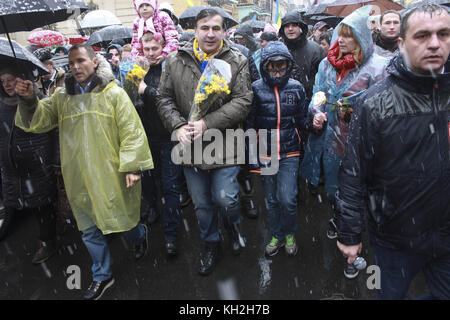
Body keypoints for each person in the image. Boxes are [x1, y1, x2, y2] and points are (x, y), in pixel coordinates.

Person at [14, 43, 154, 300]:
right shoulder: (61, 97)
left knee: (122, 221)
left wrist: (133, 166)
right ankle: (103, 275)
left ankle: (140, 235)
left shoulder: (114, 94)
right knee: (88, 228)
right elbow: (39, 121)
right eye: (71, 63)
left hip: (112, 172)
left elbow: (132, 131)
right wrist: (29, 99)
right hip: (78, 175)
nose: (75, 67)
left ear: (95, 62)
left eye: (81, 60)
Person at [336, 4, 450, 299]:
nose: (435, 43)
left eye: (444, 34)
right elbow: (353, 171)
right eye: (422, 35)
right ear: (401, 44)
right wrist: (350, 232)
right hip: (395, 238)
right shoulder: (375, 103)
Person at [157, 8, 253, 275]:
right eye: (204, 28)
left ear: (224, 31)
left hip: (225, 141)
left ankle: (232, 226)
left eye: (216, 28)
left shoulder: (237, 60)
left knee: (226, 199)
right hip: (191, 147)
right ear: (195, 30)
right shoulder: (176, 60)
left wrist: (207, 123)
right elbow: (163, 98)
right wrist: (177, 127)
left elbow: (244, 101)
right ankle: (211, 243)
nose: (210, 34)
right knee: (201, 205)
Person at [299, 6, 388, 278]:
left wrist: (355, 111)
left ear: (363, 36)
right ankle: (338, 219)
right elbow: (318, 94)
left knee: (357, 196)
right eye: (341, 34)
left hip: (361, 145)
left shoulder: (378, 67)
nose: (344, 41)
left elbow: (383, 109)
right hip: (330, 141)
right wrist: (316, 113)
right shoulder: (327, 63)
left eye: (350, 36)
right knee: (333, 191)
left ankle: (354, 253)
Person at [246, 41, 312, 257]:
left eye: (281, 65)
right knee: (272, 199)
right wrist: (252, 154)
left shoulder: (297, 87)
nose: (276, 70)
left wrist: (315, 124)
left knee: (288, 198)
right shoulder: (255, 89)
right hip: (265, 152)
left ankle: (290, 233)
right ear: (264, 66)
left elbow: (302, 119)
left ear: (288, 65)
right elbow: (250, 124)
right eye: (272, 66)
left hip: (290, 151)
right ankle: (277, 235)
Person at [0, 67, 59, 264]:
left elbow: (53, 133)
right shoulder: (2, 106)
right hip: (12, 168)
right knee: (27, 205)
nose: (7, 84)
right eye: (3, 81)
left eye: (11, 79)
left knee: (42, 205)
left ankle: (47, 241)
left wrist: (54, 161)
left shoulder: (39, 101)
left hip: (37, 165)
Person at [137, 32, 182, 256]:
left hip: (168, 137)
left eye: (155, 49)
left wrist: (147, 91)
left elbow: (172, 100)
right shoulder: (138, 71)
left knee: (170, 185)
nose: (151, 53)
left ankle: (171, 234)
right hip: (145, 138)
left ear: (162, 47)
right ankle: (152, 207)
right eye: (147, 50)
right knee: (148, 180)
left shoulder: (170, 69)